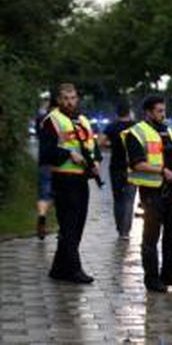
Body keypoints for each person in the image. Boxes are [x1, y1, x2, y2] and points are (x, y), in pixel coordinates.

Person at [124, 95, 172, 293]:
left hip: (169, 192)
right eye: (159, 111)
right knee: (151, 238)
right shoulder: (136, 133)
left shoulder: (166, 130)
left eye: (164, 110)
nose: (163, 114)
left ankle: (170, 274)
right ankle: (152, 280)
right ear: (149, 112)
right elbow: (137, 163)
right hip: (151, 192)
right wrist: (162, 170)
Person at [41, 83, 101, 284]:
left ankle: (58, 269)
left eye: (73, 98)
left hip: (81, 179)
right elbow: (46, 153)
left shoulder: (82, 120)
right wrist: (68, 154)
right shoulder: (52, 121)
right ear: (58, 100)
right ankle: (74, 270)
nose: (70, 102)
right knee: (69, 225)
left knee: (77, 224)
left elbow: (91, 146)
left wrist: (97, 163)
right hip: (63, 178)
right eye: (66, 98)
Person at [101, 102, 136, 239]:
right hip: (132, 167)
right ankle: (125, 232)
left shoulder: (112, 127)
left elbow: (101, 142)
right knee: (129, 200)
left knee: (118, 199)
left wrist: (112, 144)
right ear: (129, 112)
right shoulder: (136, 126)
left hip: (115, 167)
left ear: (117, 113)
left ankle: (119, 228)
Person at [35, 95, 57, 240]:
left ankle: (42, 215)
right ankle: (62, 227)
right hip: (59, 162)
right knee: (58, 194)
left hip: (43, 160)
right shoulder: (62, 120)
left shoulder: (41, 119)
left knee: (43, 193)